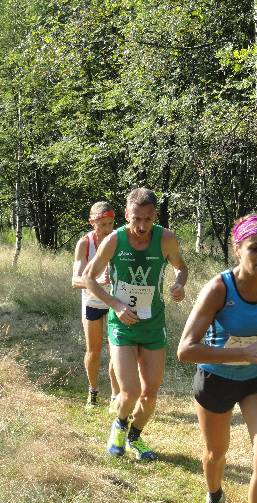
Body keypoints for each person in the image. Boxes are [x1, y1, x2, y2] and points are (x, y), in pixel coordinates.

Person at [176, 214, 257, 503]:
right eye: (254, 248)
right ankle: (214, 502)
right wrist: (241, 353)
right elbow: (185, 349)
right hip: (216, 380)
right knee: (216, 454)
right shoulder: (218, 289)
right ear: (237, 249)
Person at [83, 187, 188, 459]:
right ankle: (118, 425)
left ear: (155, 217)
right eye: (136, 219)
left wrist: (179, 283)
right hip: (123, 326)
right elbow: (88, 277)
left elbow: (181, 266)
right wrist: (116, 305)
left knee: (150, 396)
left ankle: (135, 436)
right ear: (127, 214)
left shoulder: (166, 239)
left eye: (148, 220)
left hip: (153, 324)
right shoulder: (115, 240)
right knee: (129, 393)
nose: (141, 226)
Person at [71, 201, 120, 409]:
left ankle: (115, 395)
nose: (107, 229)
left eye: (110, 224)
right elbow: (75, 280)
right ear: (92, 223)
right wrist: (96, 282)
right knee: (94, 351)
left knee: (116, 351)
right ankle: (92, 391)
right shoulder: (84, 243)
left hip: (114, 302)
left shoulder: (118, 240)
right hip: (91, 302)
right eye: (102, 225)